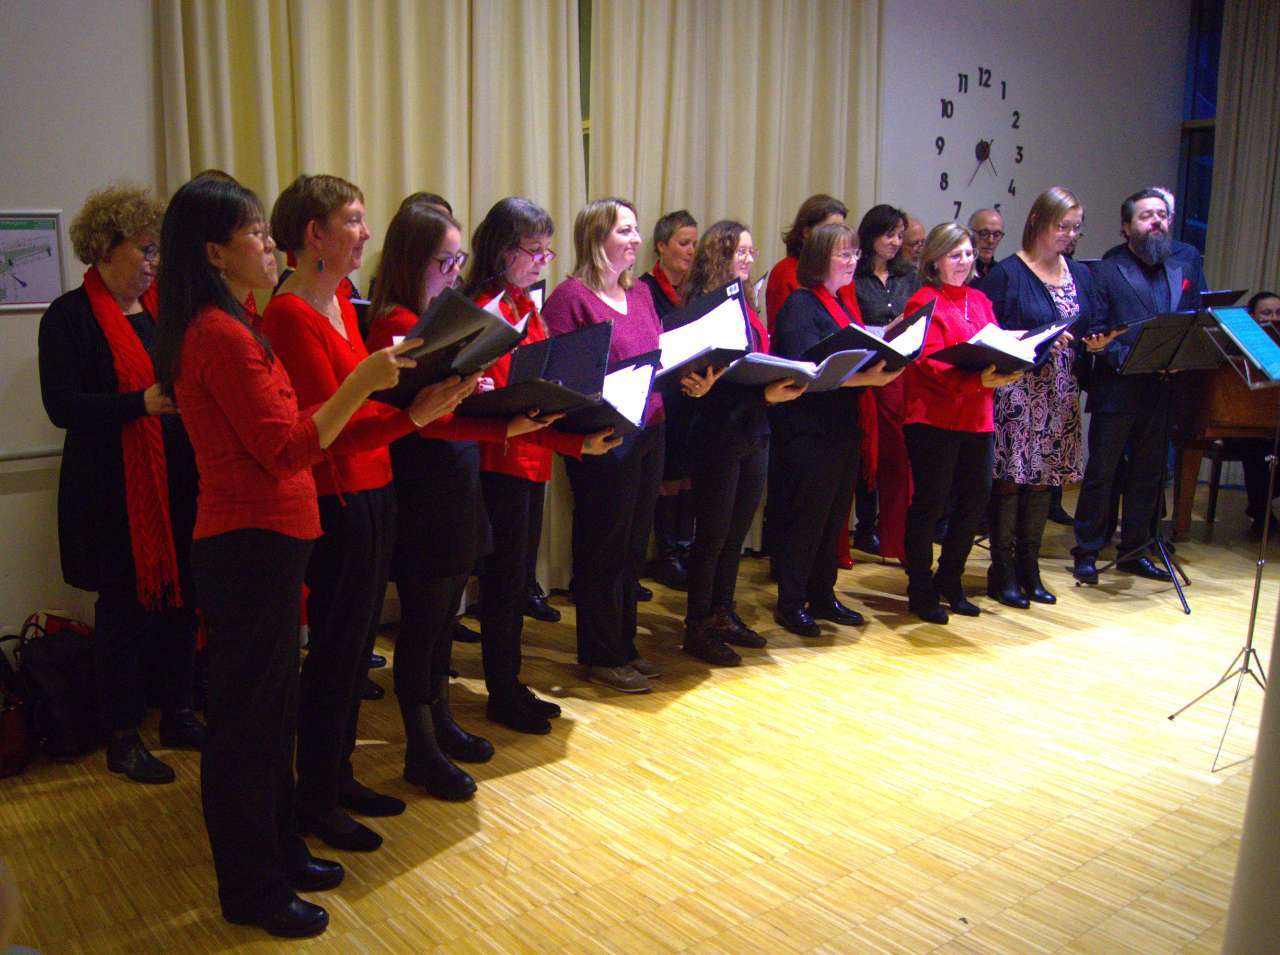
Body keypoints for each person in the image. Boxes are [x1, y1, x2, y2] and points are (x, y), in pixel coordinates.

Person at [153, 175, 460, 937]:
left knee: (269, 717)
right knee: (247, 727)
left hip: (269, 537)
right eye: (256, 233)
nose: (270, 244)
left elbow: (300, 432)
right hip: (247, 542)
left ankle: (282, 849)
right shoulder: (220, 334)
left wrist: (403, 411)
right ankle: (251, 887)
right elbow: (286, 447)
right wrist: (364, 381)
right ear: (215, 252)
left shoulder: (236, 321)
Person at [364, 199, 570, 796]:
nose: (457, 272)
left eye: (458, 260)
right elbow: (416, 418)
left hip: (456, 478)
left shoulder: (435, 315)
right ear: (412, 259)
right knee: (423, 624)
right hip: (423, 486)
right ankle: (421, 745)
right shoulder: (396, 322)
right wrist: (489, 414)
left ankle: (442, 722)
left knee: (442, 621)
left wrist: (472, 388)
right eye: (445, 261)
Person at [262, 174, 439, 851]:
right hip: (338, 498)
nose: (366, 233)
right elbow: (328, 429)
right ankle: (316, 796)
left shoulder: (337, 297)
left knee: (356, 650)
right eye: (354, 220)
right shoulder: (288, 314)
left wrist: (416, 407)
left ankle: (337, 777)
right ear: (315, 234)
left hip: (373, 484)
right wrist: (413, 418)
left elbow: (361, 408)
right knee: (335, 655)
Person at [37, 183, 205, 785]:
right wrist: (139, 403)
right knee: (124, 619)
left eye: (158, 249)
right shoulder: (68, 317)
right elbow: (62, 406)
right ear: (106, 248)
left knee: (182, 604)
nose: (155, 261)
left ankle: (179, 713)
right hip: (111, 496)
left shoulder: (164, 311)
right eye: (145, 248)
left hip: (177, 485)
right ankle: (123, 736)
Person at [543, 197, 709, 693]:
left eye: (636, 230)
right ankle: (601, 653)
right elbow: (561, 379)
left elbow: (657, 356)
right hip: (605, 436)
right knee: (603, 546)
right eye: (625, 230)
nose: (636, 239)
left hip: (650, 428)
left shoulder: (638, 294)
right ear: (597, 237)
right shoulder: (570, 298)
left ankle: (624, 646)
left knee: (633, 547)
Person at [464, 197, 617, 732]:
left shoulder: (524, 306)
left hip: (531, 459)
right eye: (534, 250)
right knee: (503, 582)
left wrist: (576, 439)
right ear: (502, 250)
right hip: (498, 460)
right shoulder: (484, 309)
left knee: (518, 582)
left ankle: (510, 681)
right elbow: (494, 396)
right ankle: (500, 689)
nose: (542, 261)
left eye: (547, 251)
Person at [678, 221, 806, 664]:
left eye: (752, 252)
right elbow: (709, 383)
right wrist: (762, 394)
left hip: (754, 427)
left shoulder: (747, 300)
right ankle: (696, 626)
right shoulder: (706, 305)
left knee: (735, 533)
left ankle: (722, 612)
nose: (749, 259)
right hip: (718, 430)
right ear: (720, 256)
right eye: (740, 252)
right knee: (712, 535)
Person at [770, 223, 903, 636]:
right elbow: (804, 373)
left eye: (855, 254)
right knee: (807, 518)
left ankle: (823, 594)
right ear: (819, 258)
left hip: (841, 426)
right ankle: (791, 603)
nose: (852, 262)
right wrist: (869, 378)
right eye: (843, 255)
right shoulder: (801, 304)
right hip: (809, 429)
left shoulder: (838, 302)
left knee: (832, 519)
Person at [1072, 189, 1205, 584]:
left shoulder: (1179, 267)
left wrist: (1181, 355)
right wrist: (1131, 358)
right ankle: (1087, 551)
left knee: (1149, 475)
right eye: (1146, 216)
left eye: (1162, 214)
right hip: (1117, 387)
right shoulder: (1107, 270)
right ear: (1127, 226)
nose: (1156, 221)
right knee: (1103, 473)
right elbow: (1096, 329)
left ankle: (1135, 550)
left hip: (1161, 388)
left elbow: (1193, 321)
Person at [976, 188, 1098, 607]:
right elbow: (989, 335)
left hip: (1059, 391)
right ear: (1037, 222)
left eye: (1075, 227)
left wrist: (1095, 341)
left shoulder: (1078, 273)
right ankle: (1002, 569)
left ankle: (1030, 567)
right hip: (1019, 391)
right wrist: (1039, 339)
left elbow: (1087, 321)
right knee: (1011, 480)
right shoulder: (1008, 274)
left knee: (1045, 481)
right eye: (1062, 226)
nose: (1069, 235)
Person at [901, 223, 1023, 623]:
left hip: (977, 416)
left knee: (975, 500)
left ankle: (950, 578)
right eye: (955, 255)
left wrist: (1011, 362)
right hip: (933, 415)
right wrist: (976, 381)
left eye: (968, 254)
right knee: (931, 503)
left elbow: (996, 345)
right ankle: (920, 585)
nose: (964, 261)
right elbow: (927, 362)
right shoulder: (923, 300)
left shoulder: (980, 300)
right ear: (935, 260)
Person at [852, 204, 923, 562]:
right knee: (866, 454)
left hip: (900, 376)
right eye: (889, 234)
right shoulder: (855, 276)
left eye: (899, 235)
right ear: (871, 235)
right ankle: (864, 527)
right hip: (865, 374)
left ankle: (897, 537)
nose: (895, 242)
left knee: (898, 457)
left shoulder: (908, 276)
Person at [639, 210, 700, 590]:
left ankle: (684, 547)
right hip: (662, 395)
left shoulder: (695, 289)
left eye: (694, 244)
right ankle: (667, 554)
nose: (691, 250)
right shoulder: (645, 288)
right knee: (665, 477)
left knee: (688, 473)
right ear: (661, 246)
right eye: (683, 243)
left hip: (692, 393)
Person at [1217, 291, 1280, 537]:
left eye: (1278, 313)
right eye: (1266, 313)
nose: (1273, 318)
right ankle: (1261, 514)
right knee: (1254, 447)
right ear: (1252, 317)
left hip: (1274, 424)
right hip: (1242, 424)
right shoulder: (1236, 342)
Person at [764, 194, 851, 330]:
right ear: (807, 233)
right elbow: (781, 330)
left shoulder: (842, 272)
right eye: (831, 229)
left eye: (842, 229)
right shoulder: (785, 271)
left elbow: (856, 324)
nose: (839, 236)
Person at [969, 208, 1006, 280]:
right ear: (970, 234)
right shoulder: (960, 270)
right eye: (984, 233)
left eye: (997, 234)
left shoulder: (1002, 273)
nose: (991, 240)